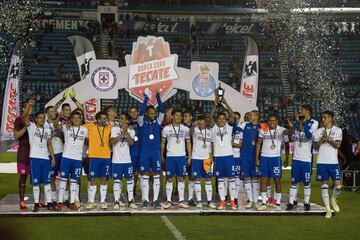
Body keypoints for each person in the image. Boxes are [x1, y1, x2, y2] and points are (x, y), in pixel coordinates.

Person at [209, 97, 241, 210]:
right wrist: (214, 106)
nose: (222, 120)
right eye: (220, 118)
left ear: (226, 120)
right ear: (217, 120)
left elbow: (233, 116)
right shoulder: (213, 128)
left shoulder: (230, 127)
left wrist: (225, 103)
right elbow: (210, 119)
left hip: (228, 157)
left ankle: (232, 201)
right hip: (218, 157)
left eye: (223, 118)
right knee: (221, 180)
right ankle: (222, 201)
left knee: (232, 179)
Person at [286, 105, 318, 211]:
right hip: (296, 158)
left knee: (306, 182)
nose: (300, 112)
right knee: (294, 181)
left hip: (306, 159)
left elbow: (309, 136)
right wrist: (293, 124)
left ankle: (306, 203)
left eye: (302, 110)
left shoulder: (314, 123)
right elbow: (292, 133)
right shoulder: (297, 122)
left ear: (307, 112)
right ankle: (291, 203)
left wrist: (301, 122)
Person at [24, 104, 56, 212]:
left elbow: (49, 144)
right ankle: (36, 204)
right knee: (36, 182)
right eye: (40, 118)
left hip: (46, 159)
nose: (42, 120)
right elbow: (25, 118)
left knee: (47, 182)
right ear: (36, 119)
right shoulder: (31, 127)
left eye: (43, 118)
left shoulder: (47, 130)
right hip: (35, 158)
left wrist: (52, 158)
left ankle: (50, 203)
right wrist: (29, 106)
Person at [256, 114, 290, 211]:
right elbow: (258, 143)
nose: (272, 122)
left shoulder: (281, 130)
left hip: (275, 158)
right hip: (264, 157)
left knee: (277, 180)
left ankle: (277, 203)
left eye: (274, 120)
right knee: (263, 180)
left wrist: (287, 158)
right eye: (270, 120)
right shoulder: (263, 129)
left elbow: (287, 144)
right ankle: (264, 202)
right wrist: (256, 158)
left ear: (277, 121)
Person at [56, 112, 88, 210]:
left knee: (74, 181)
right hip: (66, 157)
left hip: (77, 159)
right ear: (71, 119)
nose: (76, 119)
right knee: (63, 180)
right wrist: (58, 117)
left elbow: (87, 142)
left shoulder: (85, 130)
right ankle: (60, 202)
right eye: (74, 118)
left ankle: (72, 202)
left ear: (81, 119)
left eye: (78, 118)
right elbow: (55, 125)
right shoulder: (66, 127)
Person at [313, 110, 342, 218]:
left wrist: (329, 139)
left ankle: (333, 199)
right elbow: (315, 147)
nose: (323, 119)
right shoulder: (318, 131)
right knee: (324, 185)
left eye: (325, 117)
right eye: (322, 117)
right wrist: (321, 139)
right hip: (321, 162)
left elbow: (338, 145)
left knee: (338, 186)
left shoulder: (338, 130)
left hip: (333, 162)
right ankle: (328, 209)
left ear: (330, 118)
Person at [138, 91, 164, 209]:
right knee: (145, 175)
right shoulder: (141, 122)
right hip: (144, 152)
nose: (153, 114)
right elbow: (141, 112)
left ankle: (156, 200)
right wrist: (146, 98)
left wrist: (158, 96)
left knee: (156, 175)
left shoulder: (158, 122)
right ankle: (146, 200)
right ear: (147, 114)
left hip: (155, 152)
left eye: (154, 113)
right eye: (150, 113)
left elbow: (162, 110)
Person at [161, 109, 192, 209]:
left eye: (180, 116)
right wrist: (162, 156)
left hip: (181, 157)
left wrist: (190, 156)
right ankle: (168, 200)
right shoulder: (166, 129)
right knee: (169, 179)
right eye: (177, 115)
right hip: (170, 157)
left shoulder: (185, 129)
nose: (179, 117)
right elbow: (163, 143)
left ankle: (181, 200)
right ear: (173, 117)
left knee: (181, 178)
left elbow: (188, 143)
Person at [84, 111, 112, 210]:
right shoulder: (90, 127)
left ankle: (102, 201)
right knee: (93, 179)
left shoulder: (109, 127)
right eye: (102, 118)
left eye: (106, 118)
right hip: (94, 157)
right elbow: (78, 126)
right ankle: (91, 202)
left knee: (104, 179)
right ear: (98, 119)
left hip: (106, 157)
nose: (104, 120)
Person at [110, 113, 137, 209]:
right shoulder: (114, 129)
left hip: (127, 160)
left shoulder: (131, 131)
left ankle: (130, 201)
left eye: (122, 119)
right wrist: (121, 134)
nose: (119, 120)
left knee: (130, 180)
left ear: (126, 121)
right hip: (116, 160)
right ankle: (116, 201)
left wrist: (126, 133)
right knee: (117, 181)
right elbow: (112, 142)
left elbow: (132, 142)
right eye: (119, 119)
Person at [190, 115, 216, 209]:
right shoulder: (195, 130)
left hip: (207, 159)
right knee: (197, 179)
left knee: (208, 180)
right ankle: (199, 201)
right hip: (196, 158)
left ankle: (209, 201)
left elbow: (211, 145)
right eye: (199, 122)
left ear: (205, 122)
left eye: (203, 122)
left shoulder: (210, 132)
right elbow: (190, 131)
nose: (201, 124)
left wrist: (211, 156)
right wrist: (193, 125)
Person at [14, 99, 34, 209]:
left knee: (39, 176)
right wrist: (26, 127)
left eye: (31, 107)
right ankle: (22, 200)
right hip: (24, 152)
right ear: (23, 108)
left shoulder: (34, 119)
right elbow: (16, 135)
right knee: (23, 176)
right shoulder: (19, 120)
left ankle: (38, 198)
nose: (30, 109)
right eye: (28, 107)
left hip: (36, 151)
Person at [239, 110, 261, 209]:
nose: (249, 117)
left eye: (251, 115)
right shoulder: (244, 125)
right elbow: (234, 127)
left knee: (255, 178)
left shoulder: (262, 127)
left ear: (256, 116)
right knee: (247, 177)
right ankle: (250, 200)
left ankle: (256, 201)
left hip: (255, 156)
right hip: (245, 156)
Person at [44, 106, 64, 206]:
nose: (54, 113)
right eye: (51, 111)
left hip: (62, 152)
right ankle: (53, 199)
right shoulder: (44, 124)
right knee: (51, 177)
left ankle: (65, 199)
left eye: (54, 111)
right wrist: (53, 133)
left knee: (65, 176)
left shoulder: (60, 124)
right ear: (46, 113)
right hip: (50, 154)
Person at [183, 110, 196, 206]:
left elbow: (191, 133)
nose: (184, 117)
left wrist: (193, 126)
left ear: (191, 117)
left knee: (191, 177)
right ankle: (181, 198)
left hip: (192, 155)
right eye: (184, 116)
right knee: (181, 177)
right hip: (181, 154)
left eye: (186, 116)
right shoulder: (181, 127)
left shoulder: (195, 127)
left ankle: (190, 198)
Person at [128, 106, 141, 197]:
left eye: (135, 111)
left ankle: (137, 187)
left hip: (143, 150)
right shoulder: (127, 123)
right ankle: (132, 188)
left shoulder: (142, 122)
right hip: (132, 151)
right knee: (133, 172)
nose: (133, 113)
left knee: (144, 172)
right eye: (131, 112)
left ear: (138, 112)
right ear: (129, 114)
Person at [232, 112, 243, 206]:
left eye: (237, 119)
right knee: (226, 178)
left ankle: (235, 197)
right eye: (234, 118)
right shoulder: (226, 129)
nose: (235, 120)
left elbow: (241, 145)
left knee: (236, 178)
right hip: (226, 156)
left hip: (237, 156)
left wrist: (231, 144)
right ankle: (227, 197)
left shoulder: (240, 130)